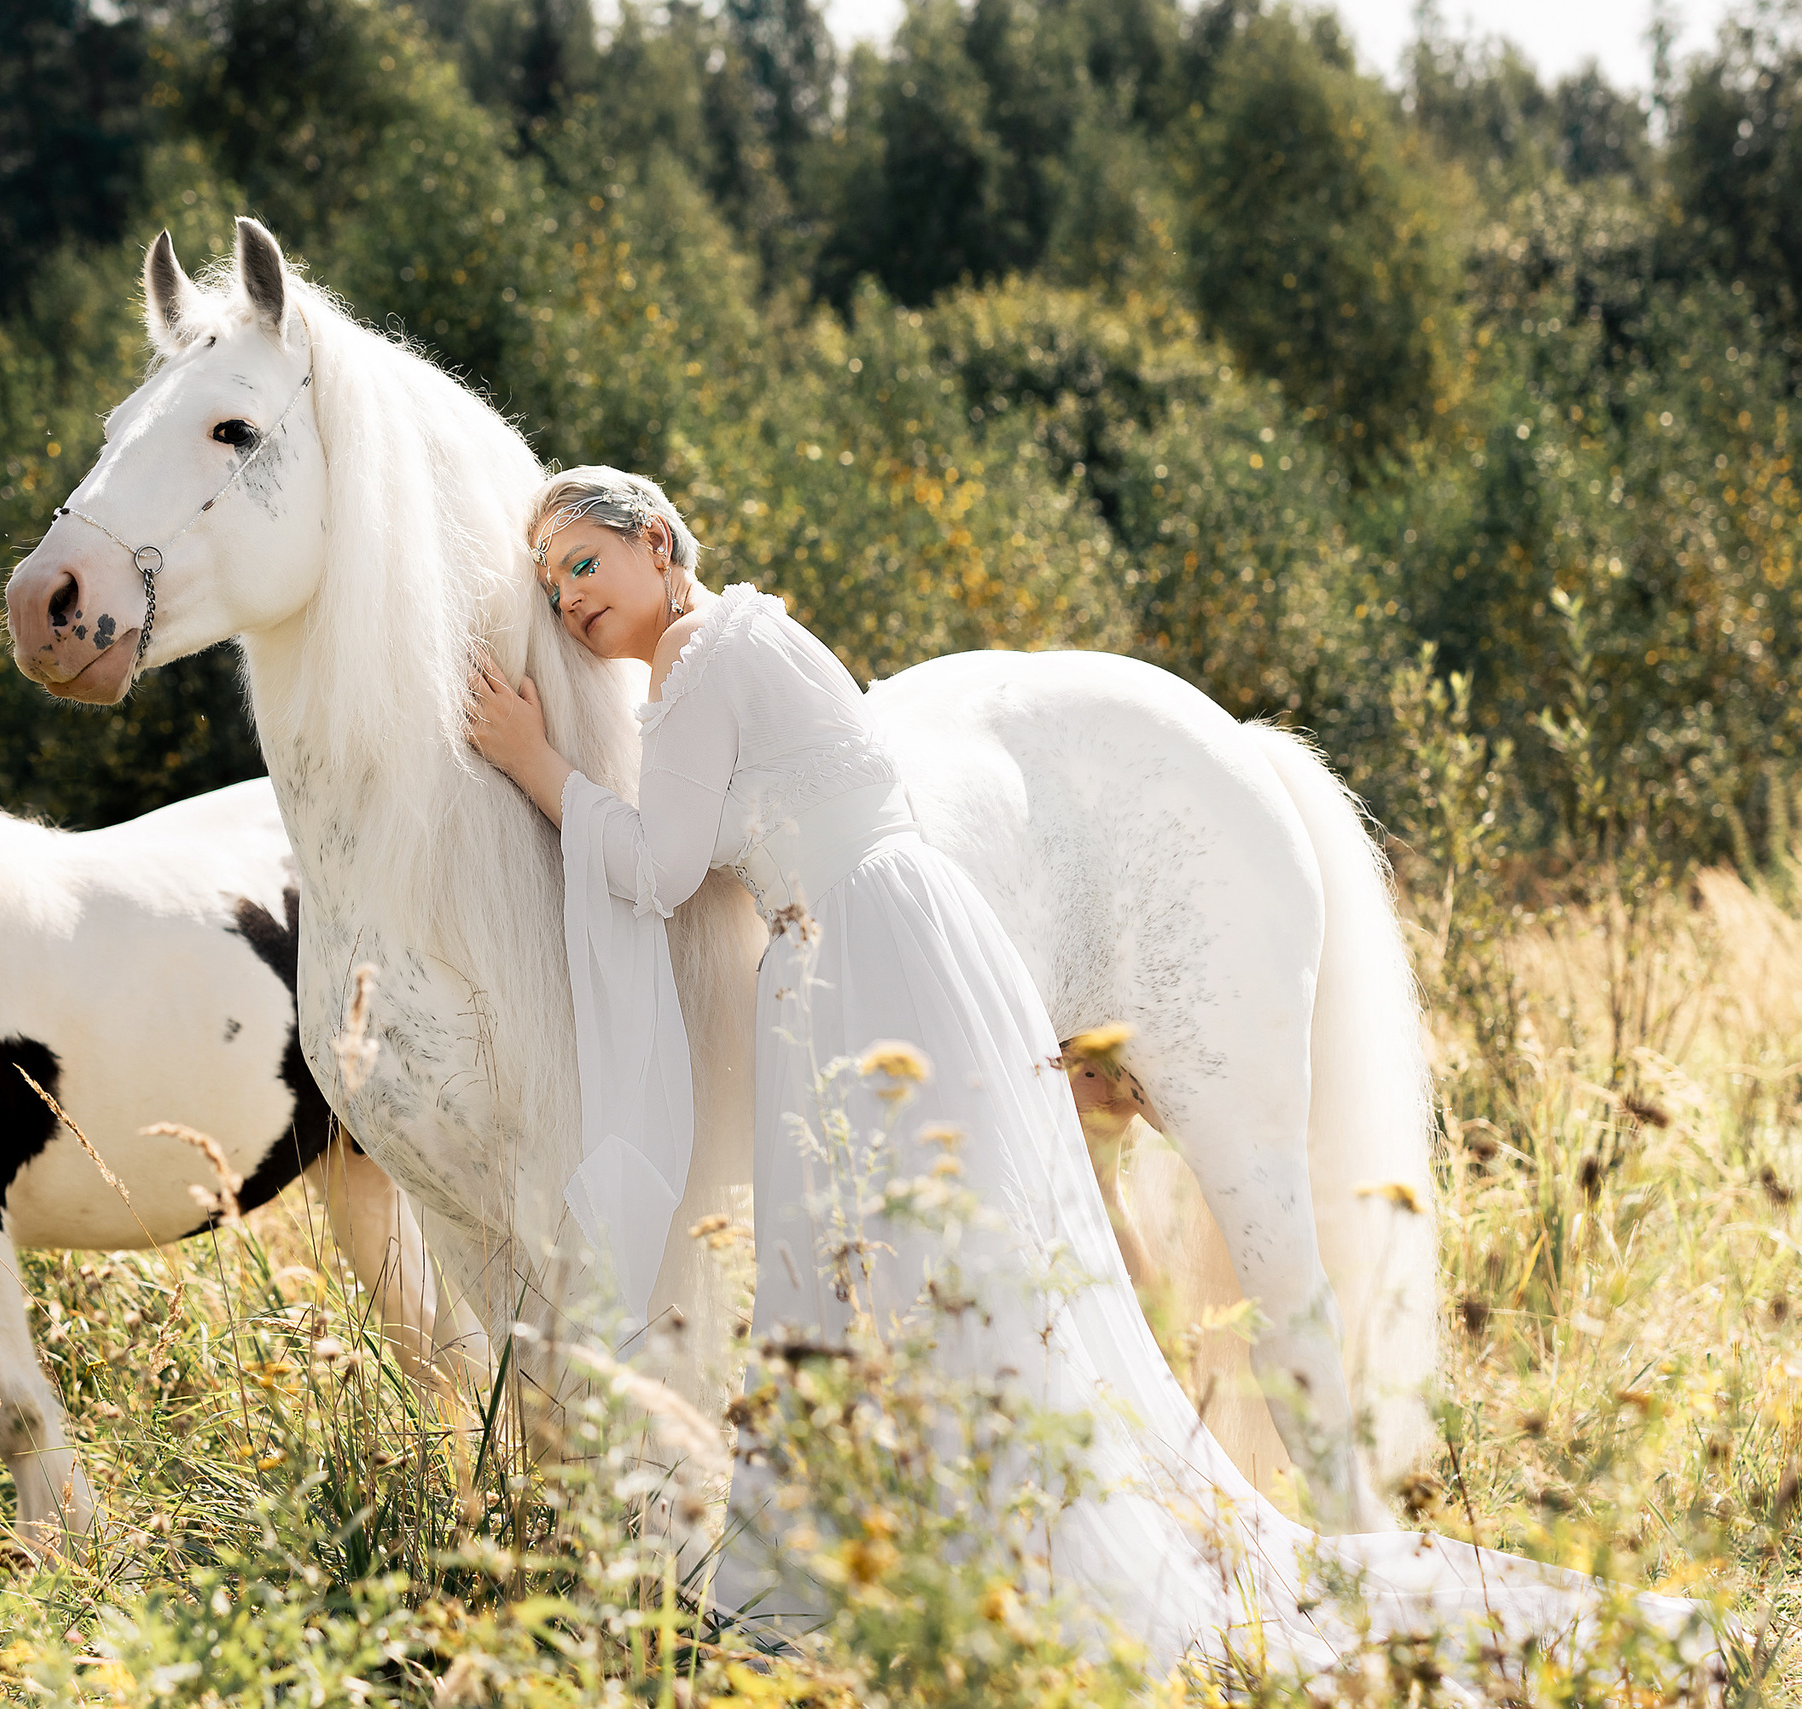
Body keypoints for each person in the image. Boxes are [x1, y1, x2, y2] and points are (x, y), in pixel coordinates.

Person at [464, 465, 1723, 1688]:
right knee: (924, 1250)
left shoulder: (693, 663)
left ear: (660, 545)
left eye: (587, 558)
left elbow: (660, 865)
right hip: (901, 933)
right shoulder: (755, 635)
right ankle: (950, 1524)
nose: (569, 593)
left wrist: (532, 761)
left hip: (849, 951)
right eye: (550, 577)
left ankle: (878, 1549)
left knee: (862, 1246)